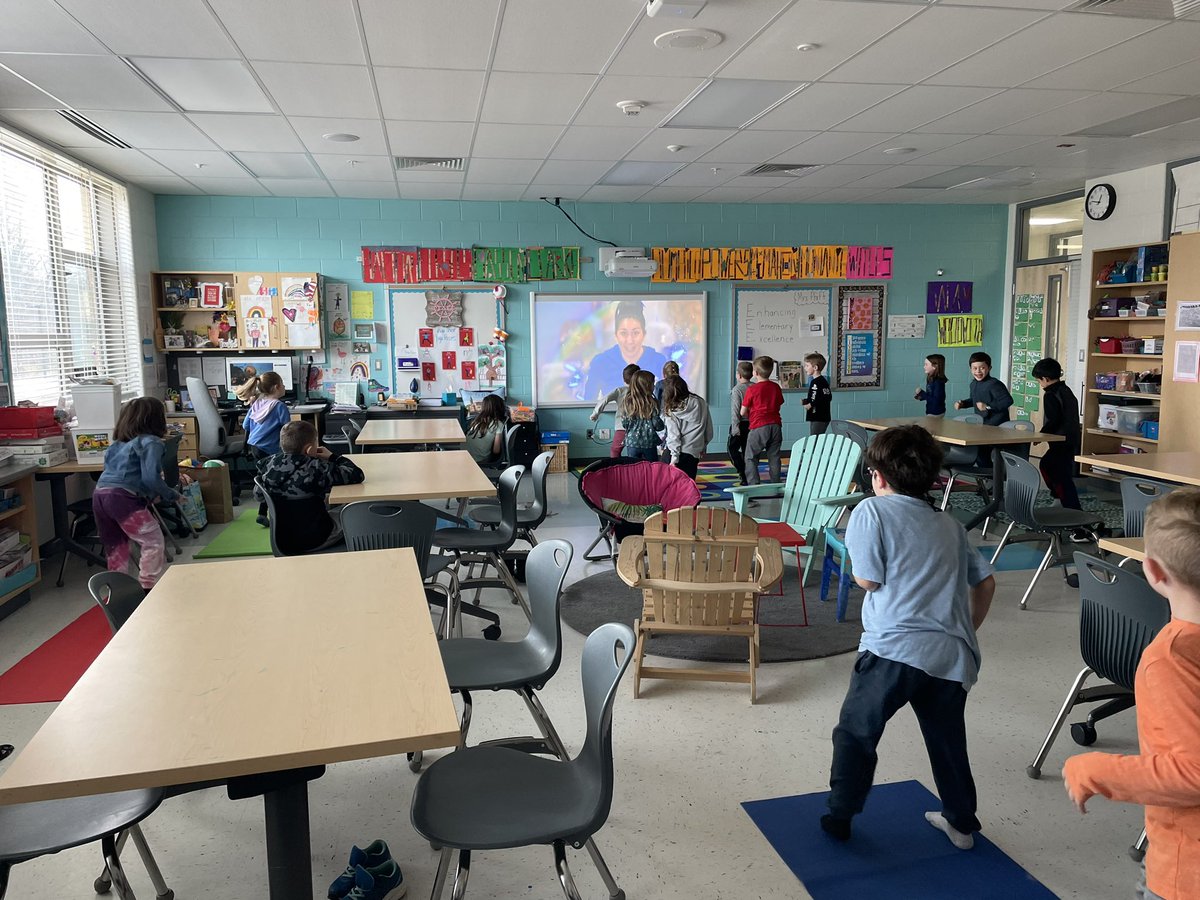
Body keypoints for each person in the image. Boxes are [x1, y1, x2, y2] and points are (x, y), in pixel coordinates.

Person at [822, 424, 996, 848]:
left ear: (877, 477)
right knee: (947, 742)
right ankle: (960, 823)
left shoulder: (871, 511)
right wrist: (960, 630)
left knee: (857, 732)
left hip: (892, 649)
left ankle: (841, 814)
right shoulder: (951, 524)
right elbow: (986, 585)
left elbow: (867, 580)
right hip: (951, 654)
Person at [1063, 488, 1200, 900]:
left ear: (1154, 573)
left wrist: (1096, 771)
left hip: (1186, 871)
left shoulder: (1170, 660)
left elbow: (1192, 773)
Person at [92, 397, 181, 590]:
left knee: (117, 546)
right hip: (122, 499)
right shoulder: (151, 443)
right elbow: (151, 478)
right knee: (153, 541)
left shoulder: (116, 444)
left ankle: (116, 590)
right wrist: (170, 494)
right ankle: (147, 587)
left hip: (100, 496)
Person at [255, 421, 365, 555]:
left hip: (282, 539)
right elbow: (356, 474)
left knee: (328, 501)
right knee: (357, 510)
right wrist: (332, 457)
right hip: (316, 538)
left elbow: (259, 495)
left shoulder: (268, 463)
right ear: (309, 449)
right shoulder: (315, 467)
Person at [583, 299, 669, 401]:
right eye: (624, 333)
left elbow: (669, 400)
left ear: (644, 334)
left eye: (636, 333)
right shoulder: (600, 362)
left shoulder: (659, 361)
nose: (630, 340)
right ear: (616, 335)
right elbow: (588, 402)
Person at [1032, 358, 1082, 510]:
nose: (1040, 384)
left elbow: (1054, 420)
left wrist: (1041, 436)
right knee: (1054, 468)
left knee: (1054, 471)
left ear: (1045, 379)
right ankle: (1059, 500)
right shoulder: (1066, 390)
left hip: (1061, 440)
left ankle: (1071, 508)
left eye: (1039, 381)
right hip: (1072, 439)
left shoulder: (1050, 395)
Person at [242, 371, 290, 527]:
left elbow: (245, 426)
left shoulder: (256, 404)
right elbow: (287, 430)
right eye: (283, 384)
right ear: (277, 387)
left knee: (265, 478)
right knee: (274, 479)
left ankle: (262, 513)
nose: (284, 387)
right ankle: (272, 512)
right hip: (271, 449)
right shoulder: (279, 406)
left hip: (254, 447)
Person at [952, 351, 1013, 467]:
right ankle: (986, 479)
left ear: (989, 368)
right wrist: (963, 403)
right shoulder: (973, 384)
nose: (978, 371)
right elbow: (975, 400)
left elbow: (1008, 401)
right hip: (983, 426)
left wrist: (988, 406)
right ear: (970, 369)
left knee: (986, 454)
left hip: (997, 427)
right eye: (974, 368)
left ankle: (991, 479)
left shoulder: (994, 384)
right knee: (980, 453)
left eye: (982, 368)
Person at [741, 356, 785, 485]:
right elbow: (780, 402)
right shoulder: (775, 387)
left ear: (755, 373)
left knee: (750, 457)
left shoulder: (752, 389)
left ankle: (754, 485)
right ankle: (776, 485)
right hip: (776, 425)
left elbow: (742, 412)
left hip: (759, 426)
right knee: (774, 457)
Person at [662, 375, 713, 480]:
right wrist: (703, 446)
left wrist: (674, 459)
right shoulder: (701, 402)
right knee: (688, 490)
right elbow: (708, 429)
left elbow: (673, 436)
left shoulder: (671, 409)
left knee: (665, 487)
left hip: (675, 454)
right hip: (693, 453)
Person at [591, 363, 639, 459]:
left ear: (624, 379)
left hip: (622, 427)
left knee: (615, 450)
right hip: (638, 427)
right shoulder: (641, 391)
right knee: (635, 450)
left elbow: (604, 400)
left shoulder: (620, 391)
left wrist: (595, 413)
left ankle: (616, 468)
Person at [621, 370, 664, 462]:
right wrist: (662, 425)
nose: (654, 386)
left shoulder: (627, 401)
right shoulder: (652, 402)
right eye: (653, 383)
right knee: (652, 468)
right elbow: (657, 425)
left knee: (633, 468)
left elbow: (624, 423)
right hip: (649, 443)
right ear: (648, 386)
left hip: (632, 442)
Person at [728, 361, 753, 485]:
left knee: (732, 449)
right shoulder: (754, 387)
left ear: (738, 375)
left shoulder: (737, 389)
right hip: (753, 424)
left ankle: (742, 474)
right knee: (747, 451)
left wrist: (735, 426)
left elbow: (735, 410)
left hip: (741, 424)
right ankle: (748, 475)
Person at [465, 394, 507, 465]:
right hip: (480, 459)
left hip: (465, 456)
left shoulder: (476, 420)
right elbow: (496, 450)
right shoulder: (498, 424)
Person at [801, 352, 832, 435]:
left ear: (815, 367)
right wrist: (806, 401)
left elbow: (826, 397)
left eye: (807, 366)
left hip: (819, 416)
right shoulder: (819, 381)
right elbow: (816, 396)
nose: (805, 368)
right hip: (817, 416)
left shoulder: (817, 382)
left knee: (815, 439)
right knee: (814, 438)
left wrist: (810, 404)